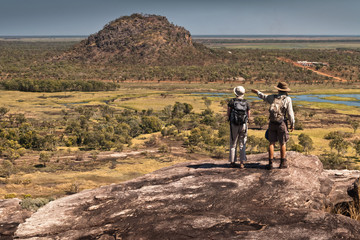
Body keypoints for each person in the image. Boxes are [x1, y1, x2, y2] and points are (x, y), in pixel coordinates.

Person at [251, 82, 295, 170]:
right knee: (282, 143)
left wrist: (257, 92)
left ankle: (270, 164)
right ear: (286, 91)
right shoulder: (287, 99)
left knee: (271, 143)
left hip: (272, 123)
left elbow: (263, 96)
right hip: (281, 123)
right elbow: (290, 113)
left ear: (278, 90)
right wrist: (292, 124)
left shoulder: (272, 97)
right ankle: (282, 163)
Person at [227, 86, 250, 169]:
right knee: (242, 143)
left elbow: (228, 112)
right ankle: (242, 163)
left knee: (233, 143)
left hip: (234, 124)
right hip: (243, 124)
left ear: (235, 93)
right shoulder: (246, 102)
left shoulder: (232, 101)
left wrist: (230, 118)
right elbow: (248, 113)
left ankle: (232, 162)